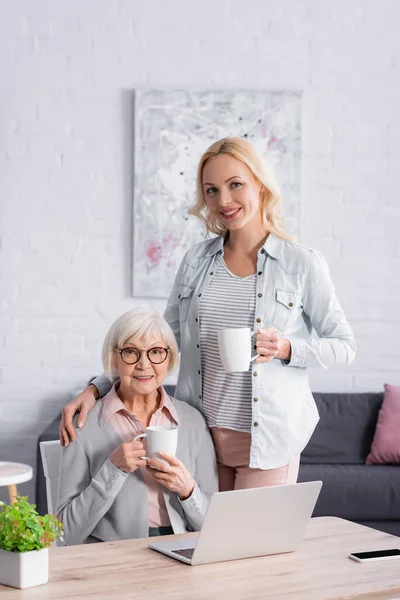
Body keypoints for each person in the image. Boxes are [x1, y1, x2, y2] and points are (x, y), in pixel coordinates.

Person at [59, 137, 355, 492]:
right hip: (197, 436)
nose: (224, 201)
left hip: (269, 443)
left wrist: (287, 348)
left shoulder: (302, 264)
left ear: (260, 185)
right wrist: (96, 387)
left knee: (253, 547)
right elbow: (159, 343)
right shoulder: (196, 261)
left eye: (235, 185)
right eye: (212, 190)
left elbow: (344, 345)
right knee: (202, 545)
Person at [57, 308, 218, 545]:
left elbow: (214, 526)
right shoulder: (82, 425)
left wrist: (187, 490)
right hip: (114, 557)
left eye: (156, 352)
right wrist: (113, 469)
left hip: (183, 549)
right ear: (114, 359)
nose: (144, 365)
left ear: (170, 358)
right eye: (131, 352)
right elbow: (64, 534)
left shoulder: (193, 421)